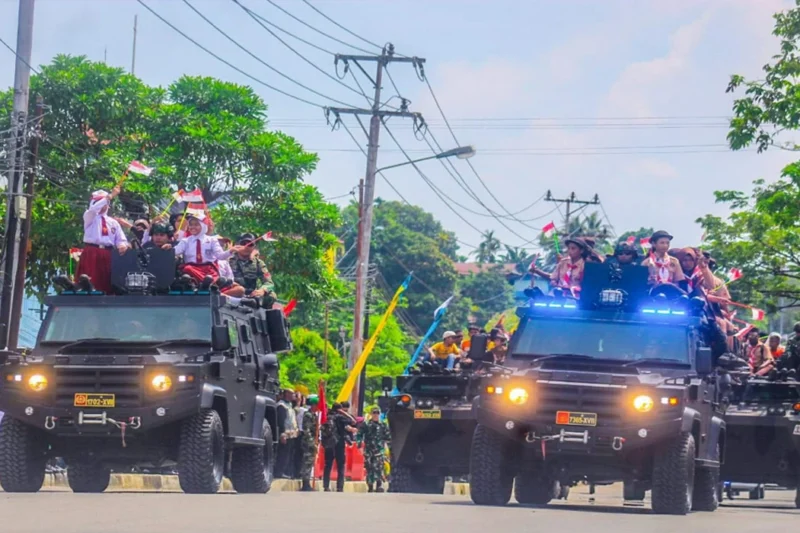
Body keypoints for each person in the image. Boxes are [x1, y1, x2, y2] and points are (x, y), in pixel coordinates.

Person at [76, 187, 130, 293]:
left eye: (104, 202)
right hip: (92, 252)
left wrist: (122, 245)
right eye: (98, 201)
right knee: (89, 279)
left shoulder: (113, 222)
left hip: (108, 253)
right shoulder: (89, 216)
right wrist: (110, 196)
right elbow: (93, 209)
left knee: (106, 281)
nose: (102, 204)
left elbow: (121, 239)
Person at [169, 215, 243, 288]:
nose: (192, 227)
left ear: (203, 225)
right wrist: (169, 248)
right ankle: (213, 284)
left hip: (208, 269)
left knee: (210, 277)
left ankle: (208, 284)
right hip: (192, 269)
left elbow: (220, 256)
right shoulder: (185, 241)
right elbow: (175, 251)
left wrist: (231, 251)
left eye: (196, 224)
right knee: (187, 269)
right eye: (191, 225)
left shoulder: (212, 240)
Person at [229, 233, 277, 299]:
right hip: (232, 292)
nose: (246, 246)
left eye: (250, 244)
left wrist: (262, 290)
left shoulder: (258, 263)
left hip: (251, 295)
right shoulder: (228, 260)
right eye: (243, 243)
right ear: (237, 245)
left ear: (254, 247)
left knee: (272, 295)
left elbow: (269, 283)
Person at [323, 402, 357, 492]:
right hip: (339, 443)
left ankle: (326, 486)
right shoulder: (340, 417)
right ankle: (340, 487)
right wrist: (343, 413)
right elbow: (353, 421)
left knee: (328, 465)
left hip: (328, 444)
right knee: (340, 465)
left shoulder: (327, 416)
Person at [357, 407, 391, 493]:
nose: (376, 415)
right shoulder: (366, 424)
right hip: (369, 450)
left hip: (379, 450)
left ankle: (379, 485)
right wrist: (359, 444)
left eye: (377, 413)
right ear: (371, 414)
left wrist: (389, 447)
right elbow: (359, 434)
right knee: (369, 467)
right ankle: (370, 486)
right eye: (374, 413)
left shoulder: (383, 425)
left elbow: (388, 437)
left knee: (379, 467)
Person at [275, 389, 298, 479]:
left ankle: (285, 471)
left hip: (291, 435)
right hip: (285, 434)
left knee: (288, 454)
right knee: (282, 454)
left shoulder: (289, 405)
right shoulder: (281, 405)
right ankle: (279, 472)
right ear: (287, 394)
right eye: (292, 394)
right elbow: (281, 421)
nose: (294, 395)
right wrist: (282, 434)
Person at [299, 395, 320, 492]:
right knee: (307, 462)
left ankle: (307, 483)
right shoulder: (308, 415)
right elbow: (306, 430)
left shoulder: (314, 415)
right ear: (313, 405)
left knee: (310, 462)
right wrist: (312, 443)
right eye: (317, 405)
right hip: (308, 442)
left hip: (312, 441)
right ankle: (305, 484)